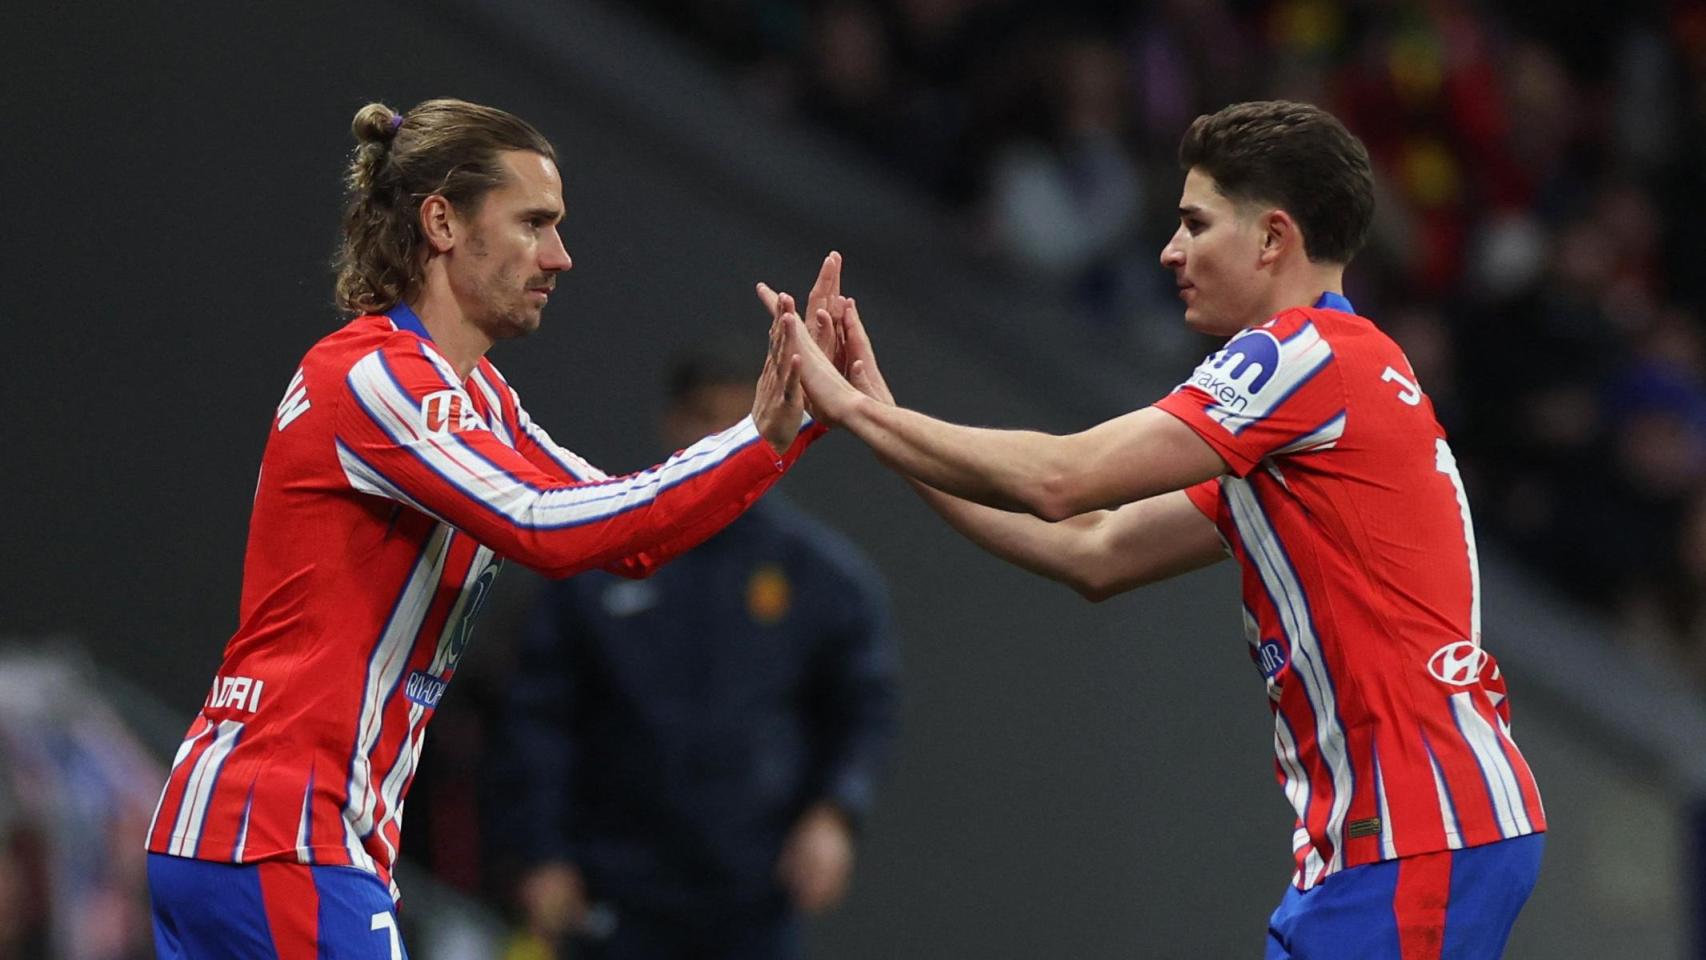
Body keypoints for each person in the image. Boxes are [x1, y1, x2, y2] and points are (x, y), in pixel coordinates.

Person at [772, 101, 1546, 958]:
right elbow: (1092, 551)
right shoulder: (1333, 388)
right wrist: (881, 418)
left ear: (1273, 238)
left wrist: (850, 407)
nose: (1171, 251)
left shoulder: (1299, 357)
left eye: (1194, 223)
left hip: (1411, 835)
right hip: (1397, 836)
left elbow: (1061, 482)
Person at [143, 97, 844, 960]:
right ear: (442, 221)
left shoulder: (476, 399)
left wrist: (785, 433)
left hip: (266, 837)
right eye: (534, 224)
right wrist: (760, 434)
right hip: (283, 835)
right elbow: (546, 528)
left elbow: (624, 535)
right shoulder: (375, 373)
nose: (560, 255)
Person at [495, 347, 898, 960]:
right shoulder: (599, 554)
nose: (724, 437)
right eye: (706, 416)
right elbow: (538, 717)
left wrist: (835, 815)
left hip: (751, 903)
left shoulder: (826, 583)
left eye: (743, 420)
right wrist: (541, 853)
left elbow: (863, 711)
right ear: (672, 423)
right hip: (608, 893)